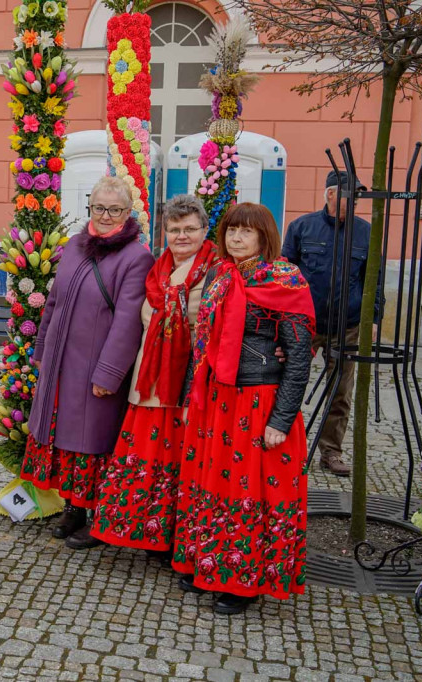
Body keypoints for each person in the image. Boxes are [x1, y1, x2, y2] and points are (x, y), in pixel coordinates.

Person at [171, 202, 314, 615]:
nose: (236, 238)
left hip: (258, 399)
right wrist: (189, 397)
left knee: (248, 492)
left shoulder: (284, 280)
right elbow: (202, 344)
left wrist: (282, 419)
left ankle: (244, 581)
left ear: (264, 236)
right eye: (232, 231)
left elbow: (299, 356)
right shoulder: (219, 275)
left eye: (246, 232)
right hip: (216, 398)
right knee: (211, 485)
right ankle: (208, 564)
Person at [21, 176, 154, 549]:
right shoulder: (76, 246)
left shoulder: (136, 256)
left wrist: (109, 373)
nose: (106, 215)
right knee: (64, 436)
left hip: (96, 366)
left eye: (115, 209)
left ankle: (96, 516)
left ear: (128, 213)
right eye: (99, 207)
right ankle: (73, 508)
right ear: (90, 208)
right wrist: (42, 351)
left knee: (92, 440)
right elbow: (54, 302)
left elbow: (129, 321)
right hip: (62, 361)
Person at [91, 195, 217, 556]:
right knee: (147, 463)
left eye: (190, 229)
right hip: (149, 386)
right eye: (174, 229)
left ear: (204, 231)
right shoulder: (157, 270)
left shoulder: (214, 271)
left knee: (178, 466)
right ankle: (147, 532)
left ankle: (173, 539)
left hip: (185, 387)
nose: (181, 236)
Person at [281, 170, 382, 477]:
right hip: (305, 322)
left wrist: (373, 319)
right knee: (289, 382)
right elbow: (286, 272)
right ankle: (285, 444)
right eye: (351, 196)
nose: (356, 203)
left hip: (348, 324)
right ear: (330, 194)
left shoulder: (367, 232)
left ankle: (330, 452)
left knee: (340, 390)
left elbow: (373, 281)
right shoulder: (301, 227)